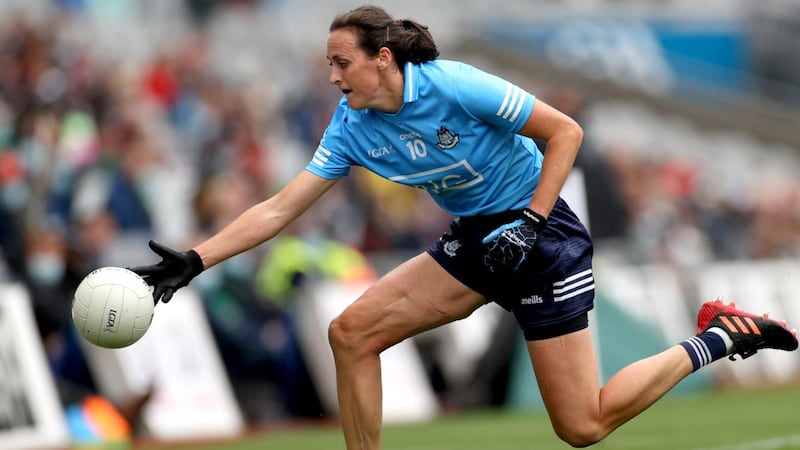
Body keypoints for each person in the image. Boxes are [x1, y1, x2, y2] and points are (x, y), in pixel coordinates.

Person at [129, 5, 799, 449]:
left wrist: (531, 224)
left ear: (383, 59)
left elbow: (565, 133)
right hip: (477, 240)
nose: (332, 76)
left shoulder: (454, 84)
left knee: (583, 425)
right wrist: (196, 258)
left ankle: (717, 336)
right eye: (329, 65)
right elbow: (279, 206)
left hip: (544, 240)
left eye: (343, 63)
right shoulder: (352, 126)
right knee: (351, 335)